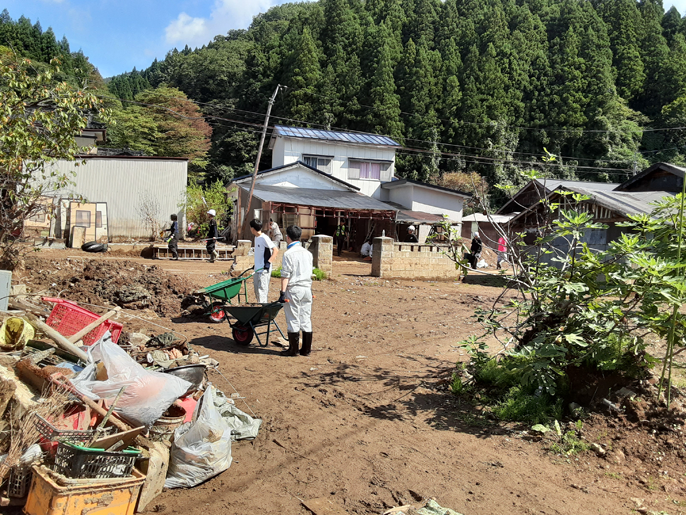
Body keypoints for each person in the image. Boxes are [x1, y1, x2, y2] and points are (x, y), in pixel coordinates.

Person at [277, 225, 313, 356]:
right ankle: (306, 349)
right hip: (307, 289)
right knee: (305, 318)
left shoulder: (288, 254)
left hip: (294, 288)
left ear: (288, 237)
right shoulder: (308, 253)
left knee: (292, 318)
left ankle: (293, 349)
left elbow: (285, 275)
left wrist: (282, 292)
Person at [250, 219, 278, 303]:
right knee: (257, 291)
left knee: (262, 291)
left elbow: (275, 250)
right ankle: (260, 310)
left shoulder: (264, 238)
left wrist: (268, 263)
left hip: (264, 270)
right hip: (257, 269)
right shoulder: (256, 237)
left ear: (253, 228)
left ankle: (263, 312)